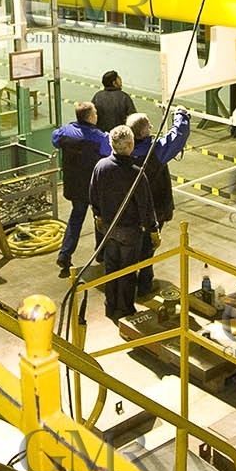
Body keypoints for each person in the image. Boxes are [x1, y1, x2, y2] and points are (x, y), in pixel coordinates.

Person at [88, 125, 157, 321]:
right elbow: (145, 205)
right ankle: (125, 310)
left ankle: (110, 306)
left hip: (108, 229)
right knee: (127, 271)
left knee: (111, 268)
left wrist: (99, 216)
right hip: (129, 231)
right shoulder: (135, 173)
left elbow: (93, 195)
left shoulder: (100, 167)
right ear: (129, 145)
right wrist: (153, 230)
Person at [127, 108, 191, 296]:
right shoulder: (156, 151)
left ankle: (127, 282)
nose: (152, 127)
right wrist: (181, 115)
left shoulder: (122, 150)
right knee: (148, 247)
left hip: (129, 210)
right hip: (155, 209)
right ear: (142, 132)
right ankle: (144, 284)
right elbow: (178, 135)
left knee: (132, 246)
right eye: (148, 126)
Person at [51, 101, 110, 278]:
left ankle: (65, 254)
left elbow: (56, 140)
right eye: (96, 113)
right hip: (94, 186)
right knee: (100, 217)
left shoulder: (64, 131)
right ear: (91, 117)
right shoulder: (100, 137)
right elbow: (108, 153)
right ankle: (101, 252)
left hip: (74, 184)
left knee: (76, 218)